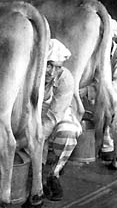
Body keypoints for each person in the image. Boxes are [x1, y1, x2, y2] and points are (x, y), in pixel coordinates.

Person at [80, 19, 117, 169]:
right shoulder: (92, 53)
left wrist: (93, 91)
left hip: (114, 97)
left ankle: (110, 144)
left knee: (112, 105)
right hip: (92, 98)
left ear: (113, 38)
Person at [42, 39, 82, 201]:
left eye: (58, 67)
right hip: (32, 115)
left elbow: (54, 115)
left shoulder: (66, 79)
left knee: (68, 133)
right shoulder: (30, 73)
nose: (52, 72)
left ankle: (52, 173)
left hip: (58, 114)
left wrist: (39, 138)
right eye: (49, 65)